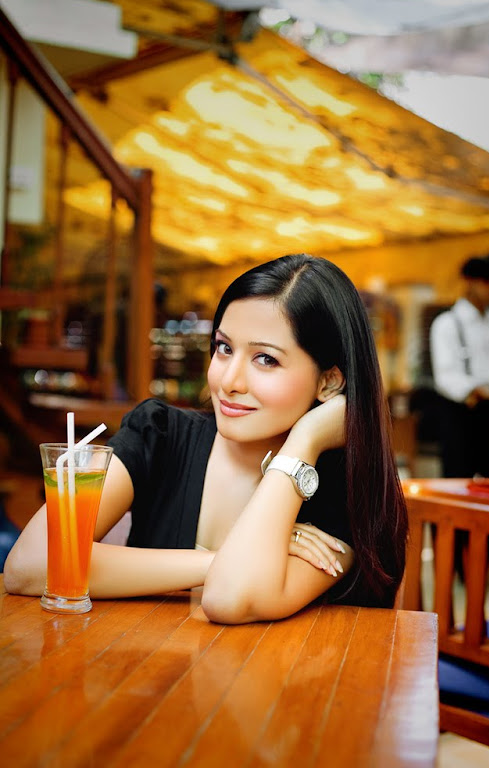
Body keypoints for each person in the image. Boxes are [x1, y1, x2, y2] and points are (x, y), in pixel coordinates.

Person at [5, 254, 407, 623]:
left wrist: (305, 440)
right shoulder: (159, 435)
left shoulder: (342, 490)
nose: (229, 381)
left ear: (329, 382)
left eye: (265, 359)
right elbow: (30, 565)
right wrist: (219, 559)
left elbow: (229, 597)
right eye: (224, 348)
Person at [430, 256, 489, 478]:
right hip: (462, 414)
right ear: (470, 282)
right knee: (459, 480)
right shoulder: (447, 323)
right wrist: (477, 389)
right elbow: (446, 376)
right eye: (488, 282)